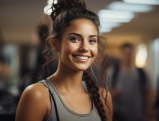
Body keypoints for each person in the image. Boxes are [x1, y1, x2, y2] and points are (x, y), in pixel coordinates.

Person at [15, 0, 113, 121]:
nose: (85, 48)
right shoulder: (37, 95)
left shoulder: (103, 97)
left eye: (92, 40)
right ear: (55, 44)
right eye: (75, 39)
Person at [109, 43, 151, 121]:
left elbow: (147, 94)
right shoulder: (113, 72)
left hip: (137, 115)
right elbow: (105, 92)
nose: (128, 56)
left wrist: (147, 114)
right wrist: (113, 93)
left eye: (130, 53)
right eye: (126, 54)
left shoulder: (141, 72)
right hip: (118, 115)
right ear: (121, 55)